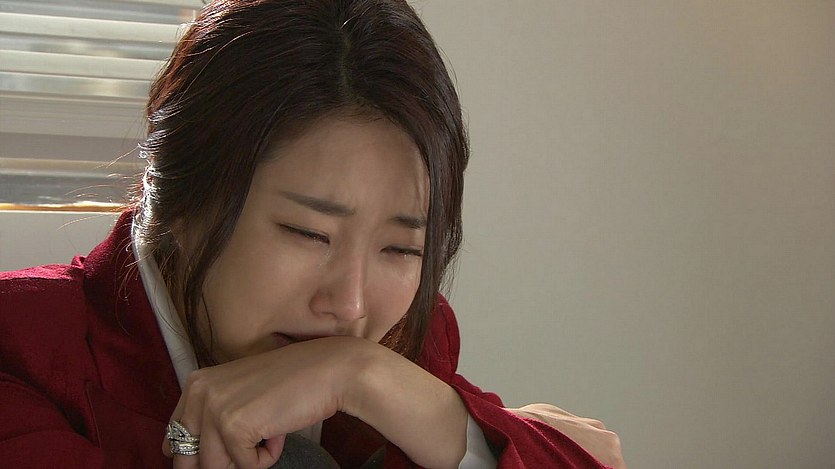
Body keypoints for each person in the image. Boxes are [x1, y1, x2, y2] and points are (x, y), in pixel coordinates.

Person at [0, 1, 625, 468]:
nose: (349, 305)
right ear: (181, 201)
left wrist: (361, 377)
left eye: (400, 248)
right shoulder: (23, 349)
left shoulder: (403, 343)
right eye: (308, 233)